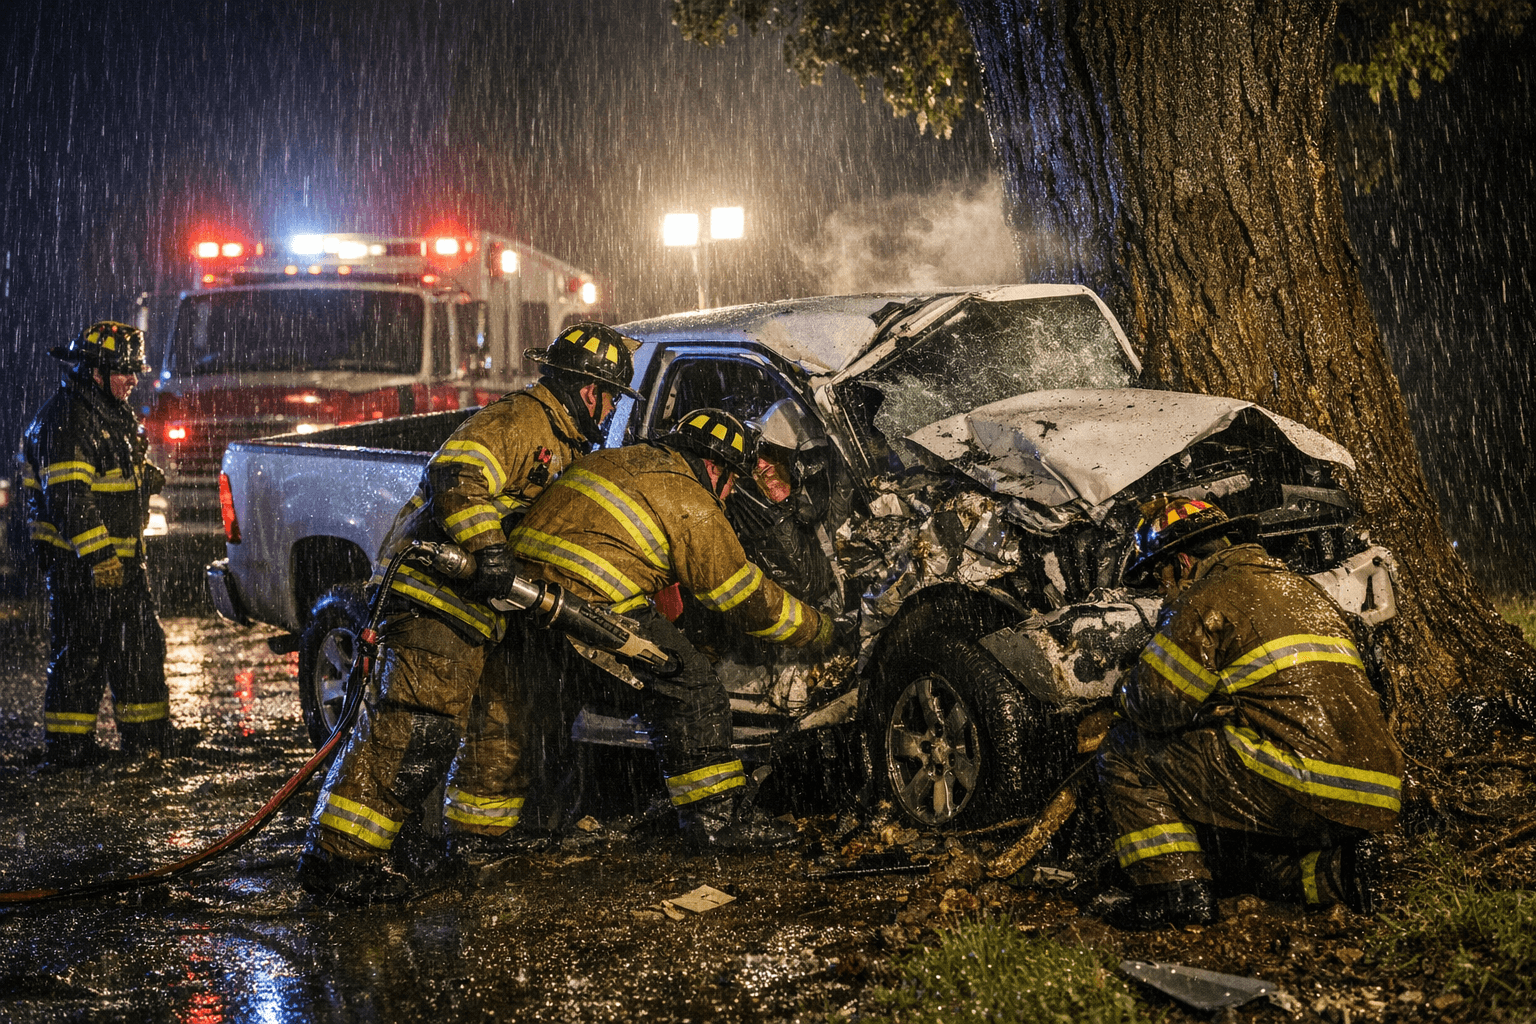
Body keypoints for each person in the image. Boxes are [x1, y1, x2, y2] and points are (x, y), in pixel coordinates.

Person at [297, 321, 639, 903]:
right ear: (590, 392)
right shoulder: (523, 420)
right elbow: (455, 474)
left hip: (486, 613)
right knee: (413, 733)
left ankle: (477, 842)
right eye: (610, 400)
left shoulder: (569, 441)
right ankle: (338, 862)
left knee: (499, 727)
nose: (610, 413)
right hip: (437, 599)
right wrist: (491, 550)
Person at [509, 408, 835, 850]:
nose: (729, 494)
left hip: (520, 599)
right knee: (692, 689)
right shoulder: (691, 500)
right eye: (732, 481)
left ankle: (513, 831)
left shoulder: (616, 460)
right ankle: (716, 821)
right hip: (591, 601)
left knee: (537, 713)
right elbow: (743, 598)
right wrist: (818, 630)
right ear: (715, 467)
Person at [1097, 497, 1404, 929]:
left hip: (1303, 781)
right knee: (1246, 864)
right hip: (1377, 790)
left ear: (1182, 561)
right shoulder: (1308, 592)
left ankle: (1175, 893)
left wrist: (1125, 684)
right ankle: (1343, 873)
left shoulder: (1204, 598)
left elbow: (1155, 706)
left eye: (1157, 576)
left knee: (1124, 751)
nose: (1161, 590)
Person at [21, 320, 185, 765]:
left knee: (140, 650)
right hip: (80, 565)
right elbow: (68, 498)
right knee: (81, 655)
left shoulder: (111, 412)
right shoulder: (67, 418)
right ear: (95, 371)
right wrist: (98, 556)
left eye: (135, 370)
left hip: (124, 561)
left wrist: (144, 478)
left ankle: (148, 740)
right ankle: (69, 750)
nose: (133, 380)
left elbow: (109, 477)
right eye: (123, 371)